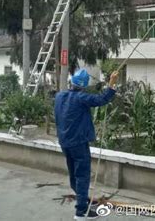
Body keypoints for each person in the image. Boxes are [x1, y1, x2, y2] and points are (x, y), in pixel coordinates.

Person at [54, 69, 119, 220]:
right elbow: (101, 100)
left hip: (64, 142)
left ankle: (82, 199)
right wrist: (112, 84)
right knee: (82, 176)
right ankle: (81, 212)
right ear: (84, 85)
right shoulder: (81, 98)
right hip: (78, 143)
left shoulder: (59, 96)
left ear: (72, 82)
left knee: (73, 174)